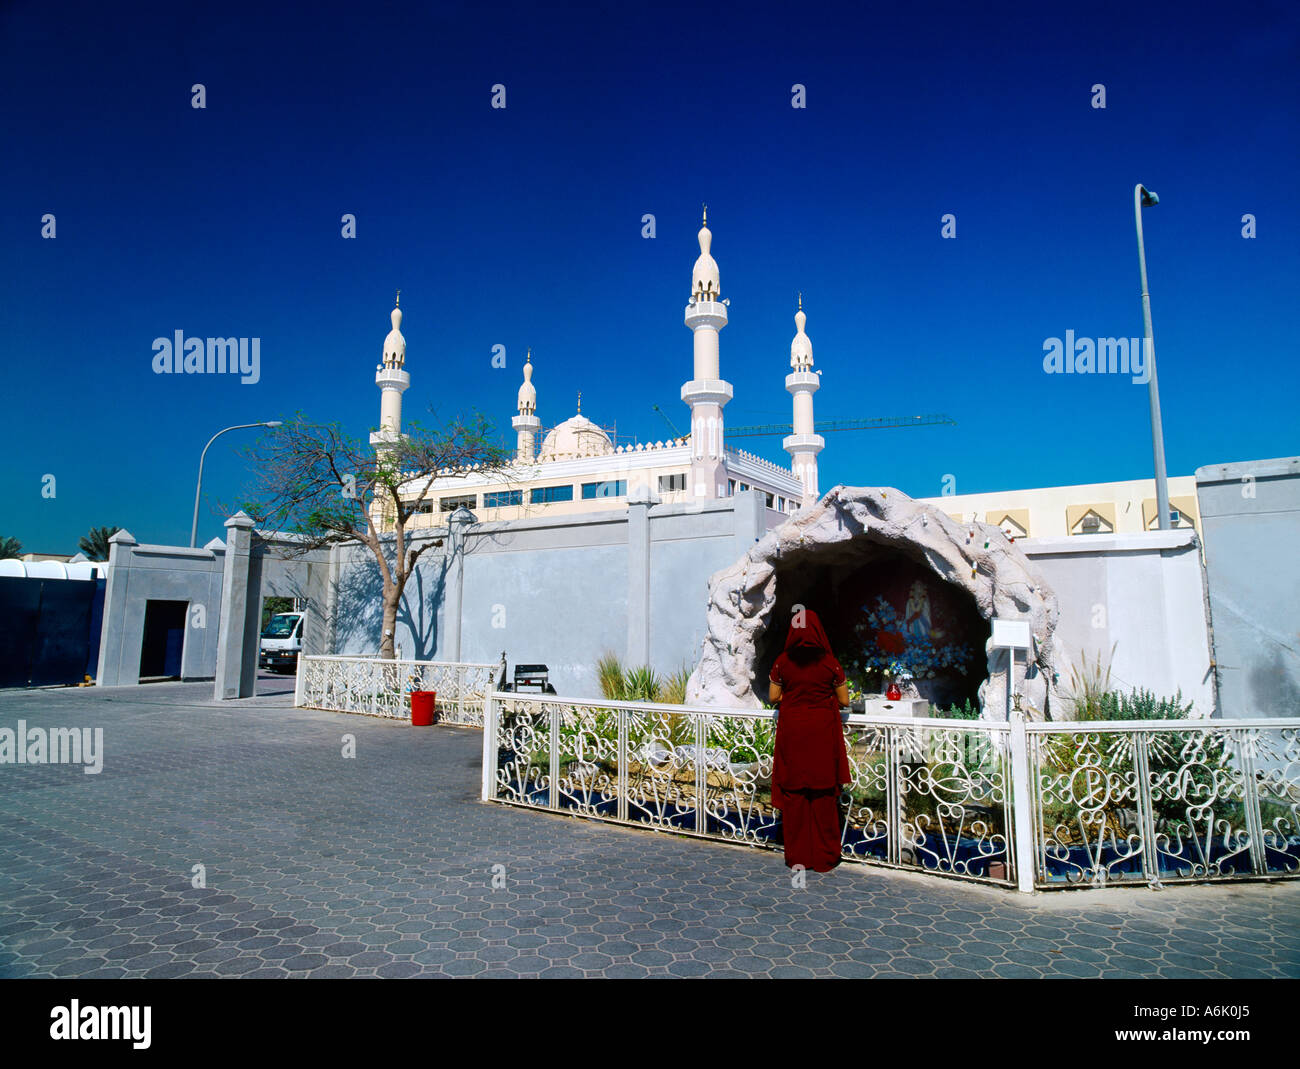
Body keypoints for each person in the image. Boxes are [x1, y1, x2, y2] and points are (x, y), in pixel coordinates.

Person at [768, 608, 851, 873]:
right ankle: (825, 857)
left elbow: (773, 697)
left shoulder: (782, 662)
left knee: (796, 794)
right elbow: (844, 700)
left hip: (793, 733)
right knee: (823, 794)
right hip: (822, 735)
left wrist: (792, 698)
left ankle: (798, 857)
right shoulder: (829, 663)